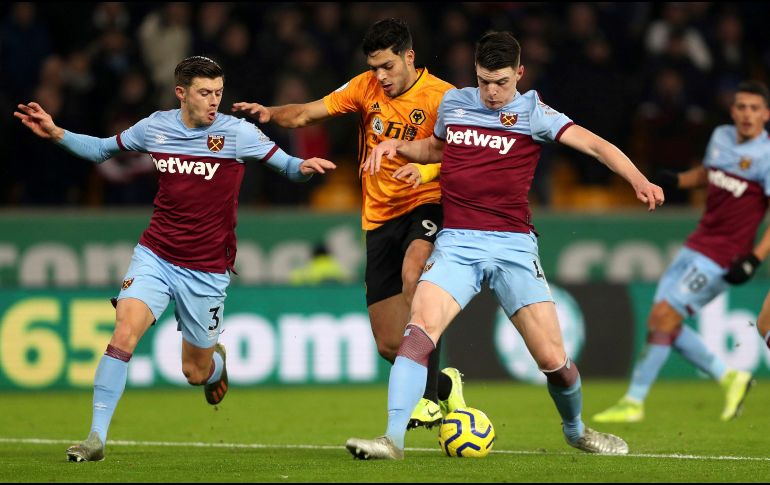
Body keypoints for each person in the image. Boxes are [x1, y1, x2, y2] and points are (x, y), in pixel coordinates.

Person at [344, 31, 665, 460]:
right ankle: (392, 439)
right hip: (458, 243)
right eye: (484, 81)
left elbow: (595, 144)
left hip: (513, 247)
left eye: (501, 82)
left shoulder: (535, 112)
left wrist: (638, 179)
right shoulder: (457, 103)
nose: (492, 93)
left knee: (554, 361)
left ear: (520, 74)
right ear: (474, 74)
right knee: (417, 332)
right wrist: (398, 146)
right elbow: (437, 147)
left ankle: (575, 429)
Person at [14, 55, 336, 462]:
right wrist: (56, 132)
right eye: (205, 93)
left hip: (206, 269)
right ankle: (95, 437)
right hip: (156, 254)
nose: (214, 101)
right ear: (181, 93)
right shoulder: (155, 127)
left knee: (194, 372)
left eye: (219, 92)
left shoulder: (236, 133)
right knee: (123, 332)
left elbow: (286, 166)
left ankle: (215, 365)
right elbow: (100, 151)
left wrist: (303, 167)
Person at [232, 18, 466, 429]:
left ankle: (427, 400)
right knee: (390, 343)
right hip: (378, 218)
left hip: (426, 205)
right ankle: (445, 386)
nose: (381, 76)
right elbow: (306, 113)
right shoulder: (364, 87)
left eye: (388, 66)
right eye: (375, 67)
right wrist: (270, 112)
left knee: (416, 275)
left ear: (409, 57)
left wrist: (425, 173)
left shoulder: (443, 96)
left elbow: (460, 156)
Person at [593, 80, 770, 424]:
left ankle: (634, 402)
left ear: (766, 114)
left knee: (663, 316)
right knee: (661, 320)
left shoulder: (766, 156)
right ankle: (731, 377)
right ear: (733, 111)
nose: (747, 115)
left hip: (725, 254)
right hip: (698, 240)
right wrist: (678, 181)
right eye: (742, 107)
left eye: (755, 108)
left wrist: (754, 258)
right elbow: (708, 173)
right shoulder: (720, 137)